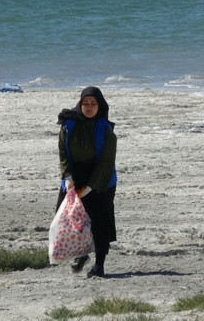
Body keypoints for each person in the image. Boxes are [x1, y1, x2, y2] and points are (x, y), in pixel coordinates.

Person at [55, 87, 117, 278]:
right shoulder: (68, 125)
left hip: (101, 178)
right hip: (74, 175)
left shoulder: (106, 131)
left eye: (93, 104)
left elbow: (106, 163)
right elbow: (63, 153)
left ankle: (99, 264)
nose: (89, 108)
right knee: (68, 216)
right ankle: (81, 254)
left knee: (99, 220)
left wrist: (89, 188)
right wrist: (68, 178)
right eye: (85, 104)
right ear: (80, 105)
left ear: (100, 106)